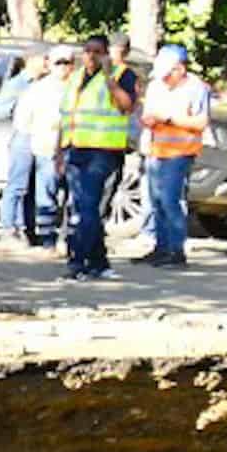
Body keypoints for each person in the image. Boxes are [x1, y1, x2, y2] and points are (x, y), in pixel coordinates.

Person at [55, 38, 138, 282]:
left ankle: (77, 262)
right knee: (81, 208)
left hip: (103, 151)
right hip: (75, 148)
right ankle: (99, 262)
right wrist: (58, 152)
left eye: (97, 52)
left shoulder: (122, 74)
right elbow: (65, 116)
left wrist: (110, 79)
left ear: (107, 54)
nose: (91, 56)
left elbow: (126, 106)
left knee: (88, 210)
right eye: (87, 51)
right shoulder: (76, 77)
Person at [135, 41, 211, 264]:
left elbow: (201, 122)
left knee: (170, 201)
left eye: (168, 74)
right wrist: (148, 121)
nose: (164, 78)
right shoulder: (156, 85)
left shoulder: (196, 88)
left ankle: (176, 250)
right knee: (156, 202)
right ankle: (161, 247)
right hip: (156, 150)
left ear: (180, 69)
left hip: (180, 152)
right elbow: (148, 114)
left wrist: (168, 119)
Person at [5, 47, 70, 246]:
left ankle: (68, 237)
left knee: (72, 197)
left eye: (67, 63)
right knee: (45, 195)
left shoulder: (78, 87)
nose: (63, 67)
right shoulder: (37, 89)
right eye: (58, 63)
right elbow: (23, 122)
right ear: (49, 64)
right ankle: (47, 237)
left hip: (75, 148)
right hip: (46, 149)